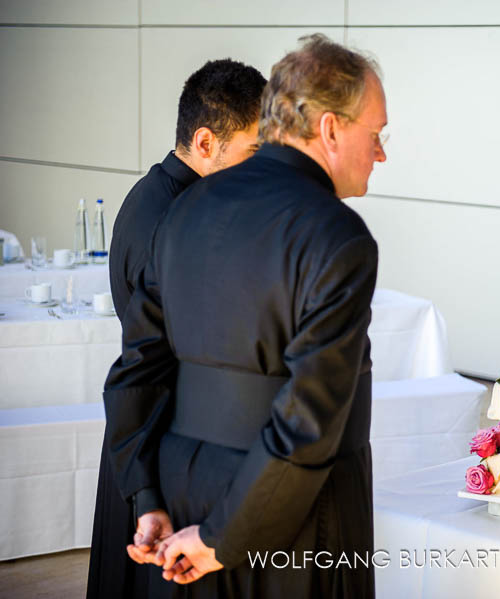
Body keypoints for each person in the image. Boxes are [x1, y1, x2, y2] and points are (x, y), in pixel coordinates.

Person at [103, 33, 386, 598]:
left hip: (178, 492)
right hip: (292, 517)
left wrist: (146, 497)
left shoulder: (186, 209)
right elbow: (307, 420)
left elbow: (136, 370)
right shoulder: (338, 234)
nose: (381, 153)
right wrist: (221, 538)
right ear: (330, 129)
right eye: (375, 134)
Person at [87, 58, 266, 599]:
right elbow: (158, 357)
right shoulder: (174, 219)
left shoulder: (169, 196)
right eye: (256, 154)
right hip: (157, 443)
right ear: (206, 142)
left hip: (158, 434)